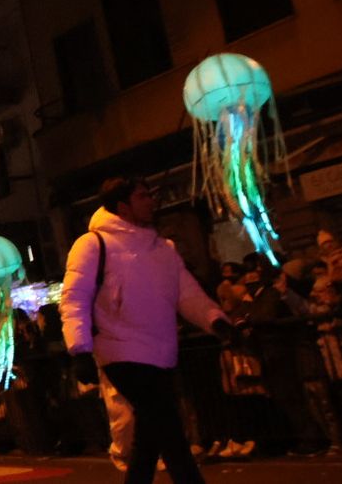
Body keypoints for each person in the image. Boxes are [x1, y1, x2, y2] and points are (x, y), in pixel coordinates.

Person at [61, 177, 235, 484]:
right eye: (143, 197)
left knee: (150, 434)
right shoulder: (92, 245)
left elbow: (188, 295)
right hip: (121, 351)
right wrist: (80, 349)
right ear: (122, 206)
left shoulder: (163, 249)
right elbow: (74, 298)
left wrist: (216, 321)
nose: (151, 201)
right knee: (169, 430)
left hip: (161, 353)